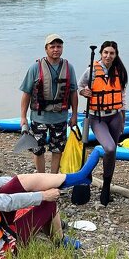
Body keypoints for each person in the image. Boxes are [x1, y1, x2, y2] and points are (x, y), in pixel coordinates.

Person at [78, 40, 128, 206]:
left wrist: (123, 117)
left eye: (111, 53)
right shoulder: (91, 70)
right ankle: (94, 181)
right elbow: (80, 86)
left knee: (112, 154)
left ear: (115, 55)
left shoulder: (119, 71)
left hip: (115, 116)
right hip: (97, 117)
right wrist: (84, 91)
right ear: (101, 53)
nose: (108, 56)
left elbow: (122, 96)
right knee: (109, 147)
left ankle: (106, 187)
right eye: (105, 52)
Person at [20, 35, 78, 174]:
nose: (56, 49)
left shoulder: (69, 67)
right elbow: (26, 93)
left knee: (57, 150)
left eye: (59, 46)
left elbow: (73, 93)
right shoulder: (35, 68)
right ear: (46, 49)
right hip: (39, 117)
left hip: (60, 117)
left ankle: (53, 178)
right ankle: (41, 177)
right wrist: (23, 117)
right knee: (38, 150)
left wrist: (74, 115)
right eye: (52, 47)